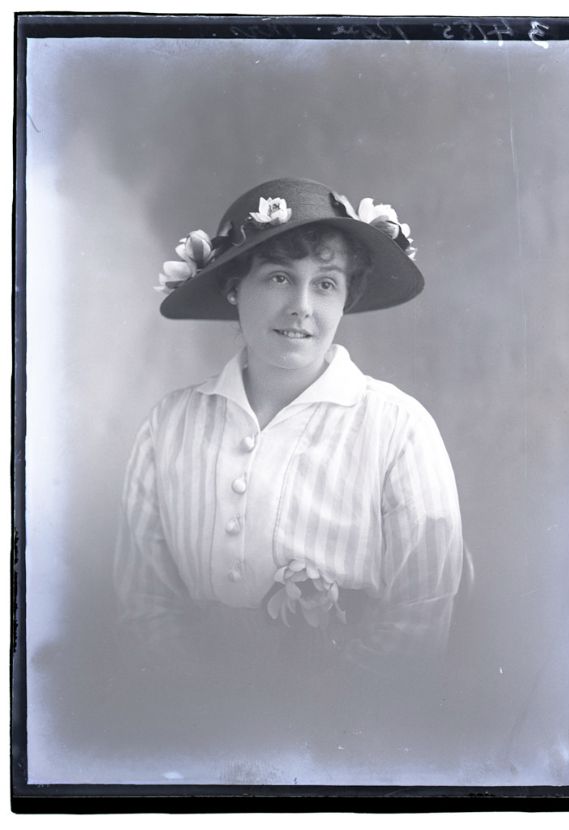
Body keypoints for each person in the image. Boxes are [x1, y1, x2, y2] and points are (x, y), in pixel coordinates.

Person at [113, 178, 464, 757]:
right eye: (278, 277)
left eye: (325, 284)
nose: (301, 305)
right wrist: (200, 708)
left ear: (345, 299)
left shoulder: (397, 427)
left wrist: (311, 718)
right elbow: (142, 603)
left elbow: (420, 617)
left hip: (348, 742)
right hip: (194, 734)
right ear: (233, 287)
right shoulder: (169, 426)